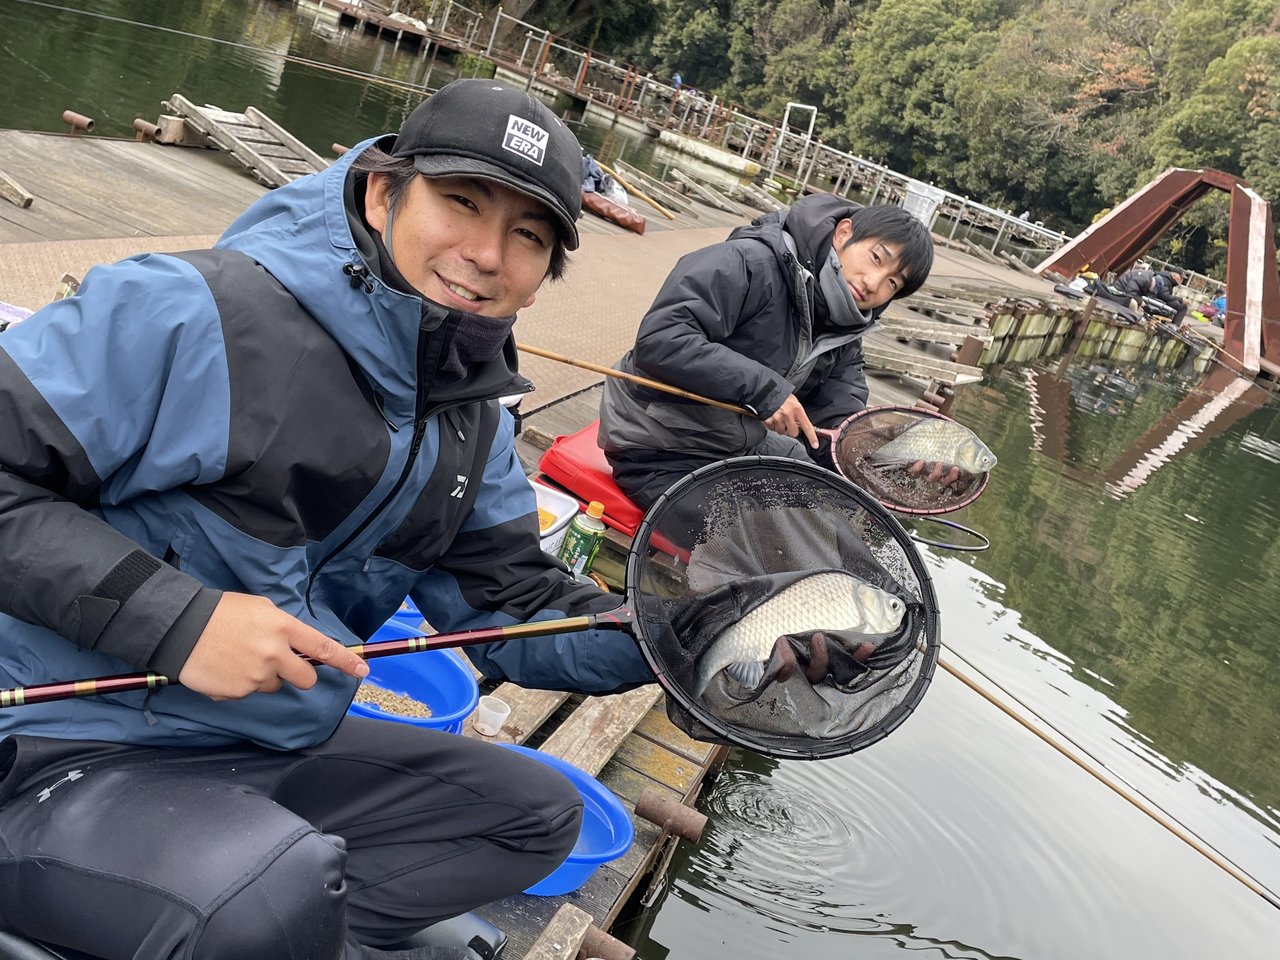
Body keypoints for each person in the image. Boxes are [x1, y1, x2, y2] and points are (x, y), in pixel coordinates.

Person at [0, 79, 653, 959]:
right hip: (48, 742)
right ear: (385, 194)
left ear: (543, 276)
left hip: (256, 740)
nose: (487, 254)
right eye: (462, 201)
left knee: (535, 815)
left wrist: (676, 638)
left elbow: (519, 611)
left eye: (528, 235)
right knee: (268, 894)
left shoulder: (473, 423)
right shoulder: (195, 310)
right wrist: (177, 620)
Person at [598, 197, 935, 509]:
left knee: (833, 512)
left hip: (735, 445)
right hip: (657, 445)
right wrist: (765, 391)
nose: (874, 282)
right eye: (876, 258)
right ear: (843, 233)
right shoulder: (749, 261)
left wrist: (888, 453)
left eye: (893, 283)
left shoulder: (846, 331)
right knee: (763, 539)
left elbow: (835, 423)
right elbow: (662, 339)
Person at [1115, 265, 1189, 324]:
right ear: (1174, 275)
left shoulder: (1153, 279)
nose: (1181, 280)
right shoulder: (1145, 278)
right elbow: (1130, 292)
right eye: (1181, 278)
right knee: (1134, 306)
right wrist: (1140, 302)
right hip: (1119, 292)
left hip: (1125, 293)